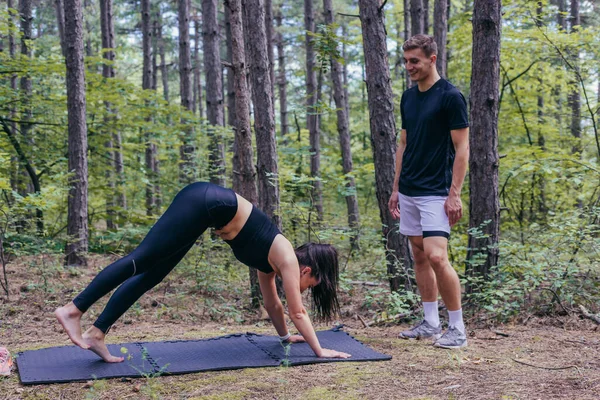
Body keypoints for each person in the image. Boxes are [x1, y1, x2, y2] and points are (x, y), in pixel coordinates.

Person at [56, 182, 350, 362]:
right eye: (310, 285)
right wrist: (320, 350)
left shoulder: (269, 262)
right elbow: (297, 312)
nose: (305, 289)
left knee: (151, 275)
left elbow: (273, 304)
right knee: (141, 260)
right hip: (204, 202)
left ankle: (97, 332)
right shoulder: (286, 257)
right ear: (307, 269)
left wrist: (286, 338)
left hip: (204, 209)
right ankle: (73, 309)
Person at [388, 34, 470, 349]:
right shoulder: (408, 98)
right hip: (408, 189)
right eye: (406, 61)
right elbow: (404, 143)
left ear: (432, 59)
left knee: (437, 255)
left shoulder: (450, 97)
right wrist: (396, 188)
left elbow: (462, 147)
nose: (408, 66)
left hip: (437, 190)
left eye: (415, 61)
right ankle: (430, 322)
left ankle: (458, 329)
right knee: (419, 255)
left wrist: (455, 193)